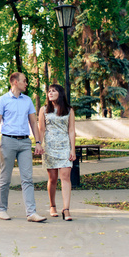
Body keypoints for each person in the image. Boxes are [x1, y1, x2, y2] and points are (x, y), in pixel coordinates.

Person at [0, 72, 46, 222]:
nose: (26, 83)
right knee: (5, 178)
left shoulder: (27, 101)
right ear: (15, 82)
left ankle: (31, 212)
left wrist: (38, 142)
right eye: (24, 81)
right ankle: (2, 209)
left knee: (27, 178)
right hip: (8, 141)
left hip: (24, 143)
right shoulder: (2, 100)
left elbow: (34, 123)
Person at [38, 83, 76, 221]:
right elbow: (41, 129)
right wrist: (38, 144)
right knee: (53, 178)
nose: (50, 93)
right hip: (49, 147)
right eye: (49, 91)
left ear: (60, 93)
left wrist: (72, 149)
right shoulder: (44, 110)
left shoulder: (69, 110)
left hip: (65, 147)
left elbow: (71, 130)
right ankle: (52, 205)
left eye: (53, 91)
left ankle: (66, 209)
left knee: (65, 177)